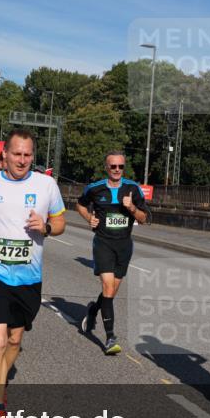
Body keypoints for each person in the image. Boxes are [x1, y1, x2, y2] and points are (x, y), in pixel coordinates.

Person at [0, 130, 66, 418]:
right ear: (4, 155)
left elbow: (60, 223)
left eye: (27, 154)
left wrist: (46, 226)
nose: (22, 160)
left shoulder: (46, 185)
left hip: (28, 276)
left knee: (13, 342)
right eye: (17, 154)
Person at [76, 151, 150, 355]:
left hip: (124, 246)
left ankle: (93, 310)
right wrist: (89, 218)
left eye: (120, 167)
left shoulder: (133, 189)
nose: (117, 170)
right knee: (107, 287)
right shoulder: (95, 188)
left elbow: (144, 219)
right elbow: (80, 204)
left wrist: (132, 207)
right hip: (103, 244)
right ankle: (110, 338)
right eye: (113, 166)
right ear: (106, 168)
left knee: (111, 293)